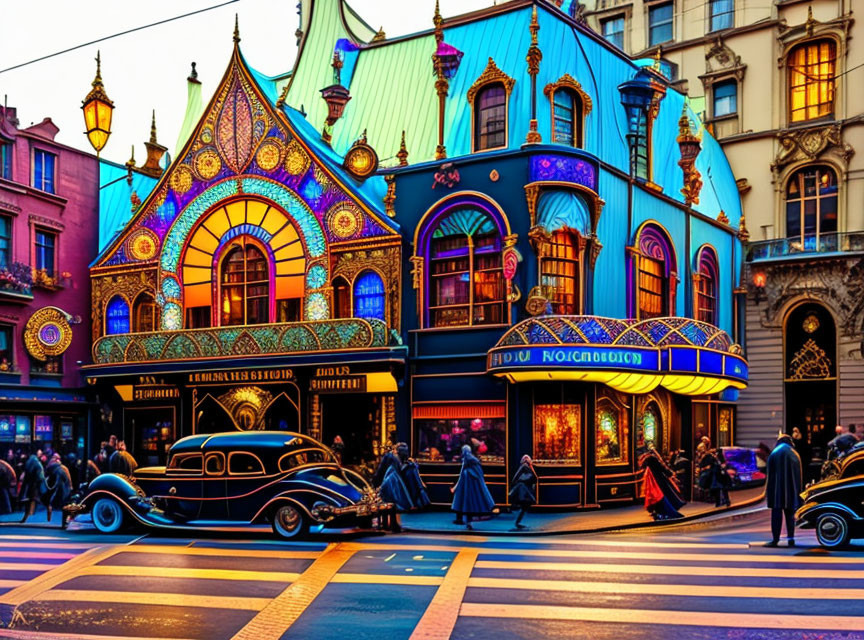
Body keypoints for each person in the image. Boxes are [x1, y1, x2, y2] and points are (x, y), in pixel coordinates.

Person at [765, 434, 803, 547]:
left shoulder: (775, 452)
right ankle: (791, 538)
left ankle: (775, 539)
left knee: (776, 515)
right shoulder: (794, 453)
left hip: (776, 491)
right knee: (790, 515)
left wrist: (769, 492)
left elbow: (770, 474)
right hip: (791, 491)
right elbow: (798, 476)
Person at [451, 444, 495, 530]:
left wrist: (455, 488)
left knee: (464, 505)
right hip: (474, 490)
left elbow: (461, 476)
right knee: (471, 506)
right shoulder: (475, 461)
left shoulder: (466, 463)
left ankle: (467, 522)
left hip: (466, 489)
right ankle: (468, 523)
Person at [639, 448, 685, 520]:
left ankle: (656, 512)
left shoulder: (645, 460)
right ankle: (663, 513)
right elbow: (661, 468)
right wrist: (670, 474)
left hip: (652, 480)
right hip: (659, 479)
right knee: (663, 496)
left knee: (655, 497)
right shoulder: (653, 459)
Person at [508, 455, 537, 530]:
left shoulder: (525, 467)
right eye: (525, 459)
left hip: (524, 491)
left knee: (523, 507)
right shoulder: (524, 467)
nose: (526, 461)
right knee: (523, 506)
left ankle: (518, 522)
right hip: (523, 491)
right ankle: (517, 522)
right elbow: (534, 478)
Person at [44, 453, 72, 525]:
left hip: (52, 486)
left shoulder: (50, 465)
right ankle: (64, 522)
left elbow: (46, 475)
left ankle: (49, 519)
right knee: (65, 504)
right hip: (61, 487)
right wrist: (70, 486)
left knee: (50, 501)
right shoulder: (63, 467)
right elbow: (68, 478)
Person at [18, 454, 47, 523]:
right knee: (32, 500)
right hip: (36, 485)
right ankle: (29, 515)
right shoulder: (37, 463)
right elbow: (40, 476)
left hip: (30, 485)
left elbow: (27, 476)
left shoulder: (29, 463)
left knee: (29, 500)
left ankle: (27, 516)